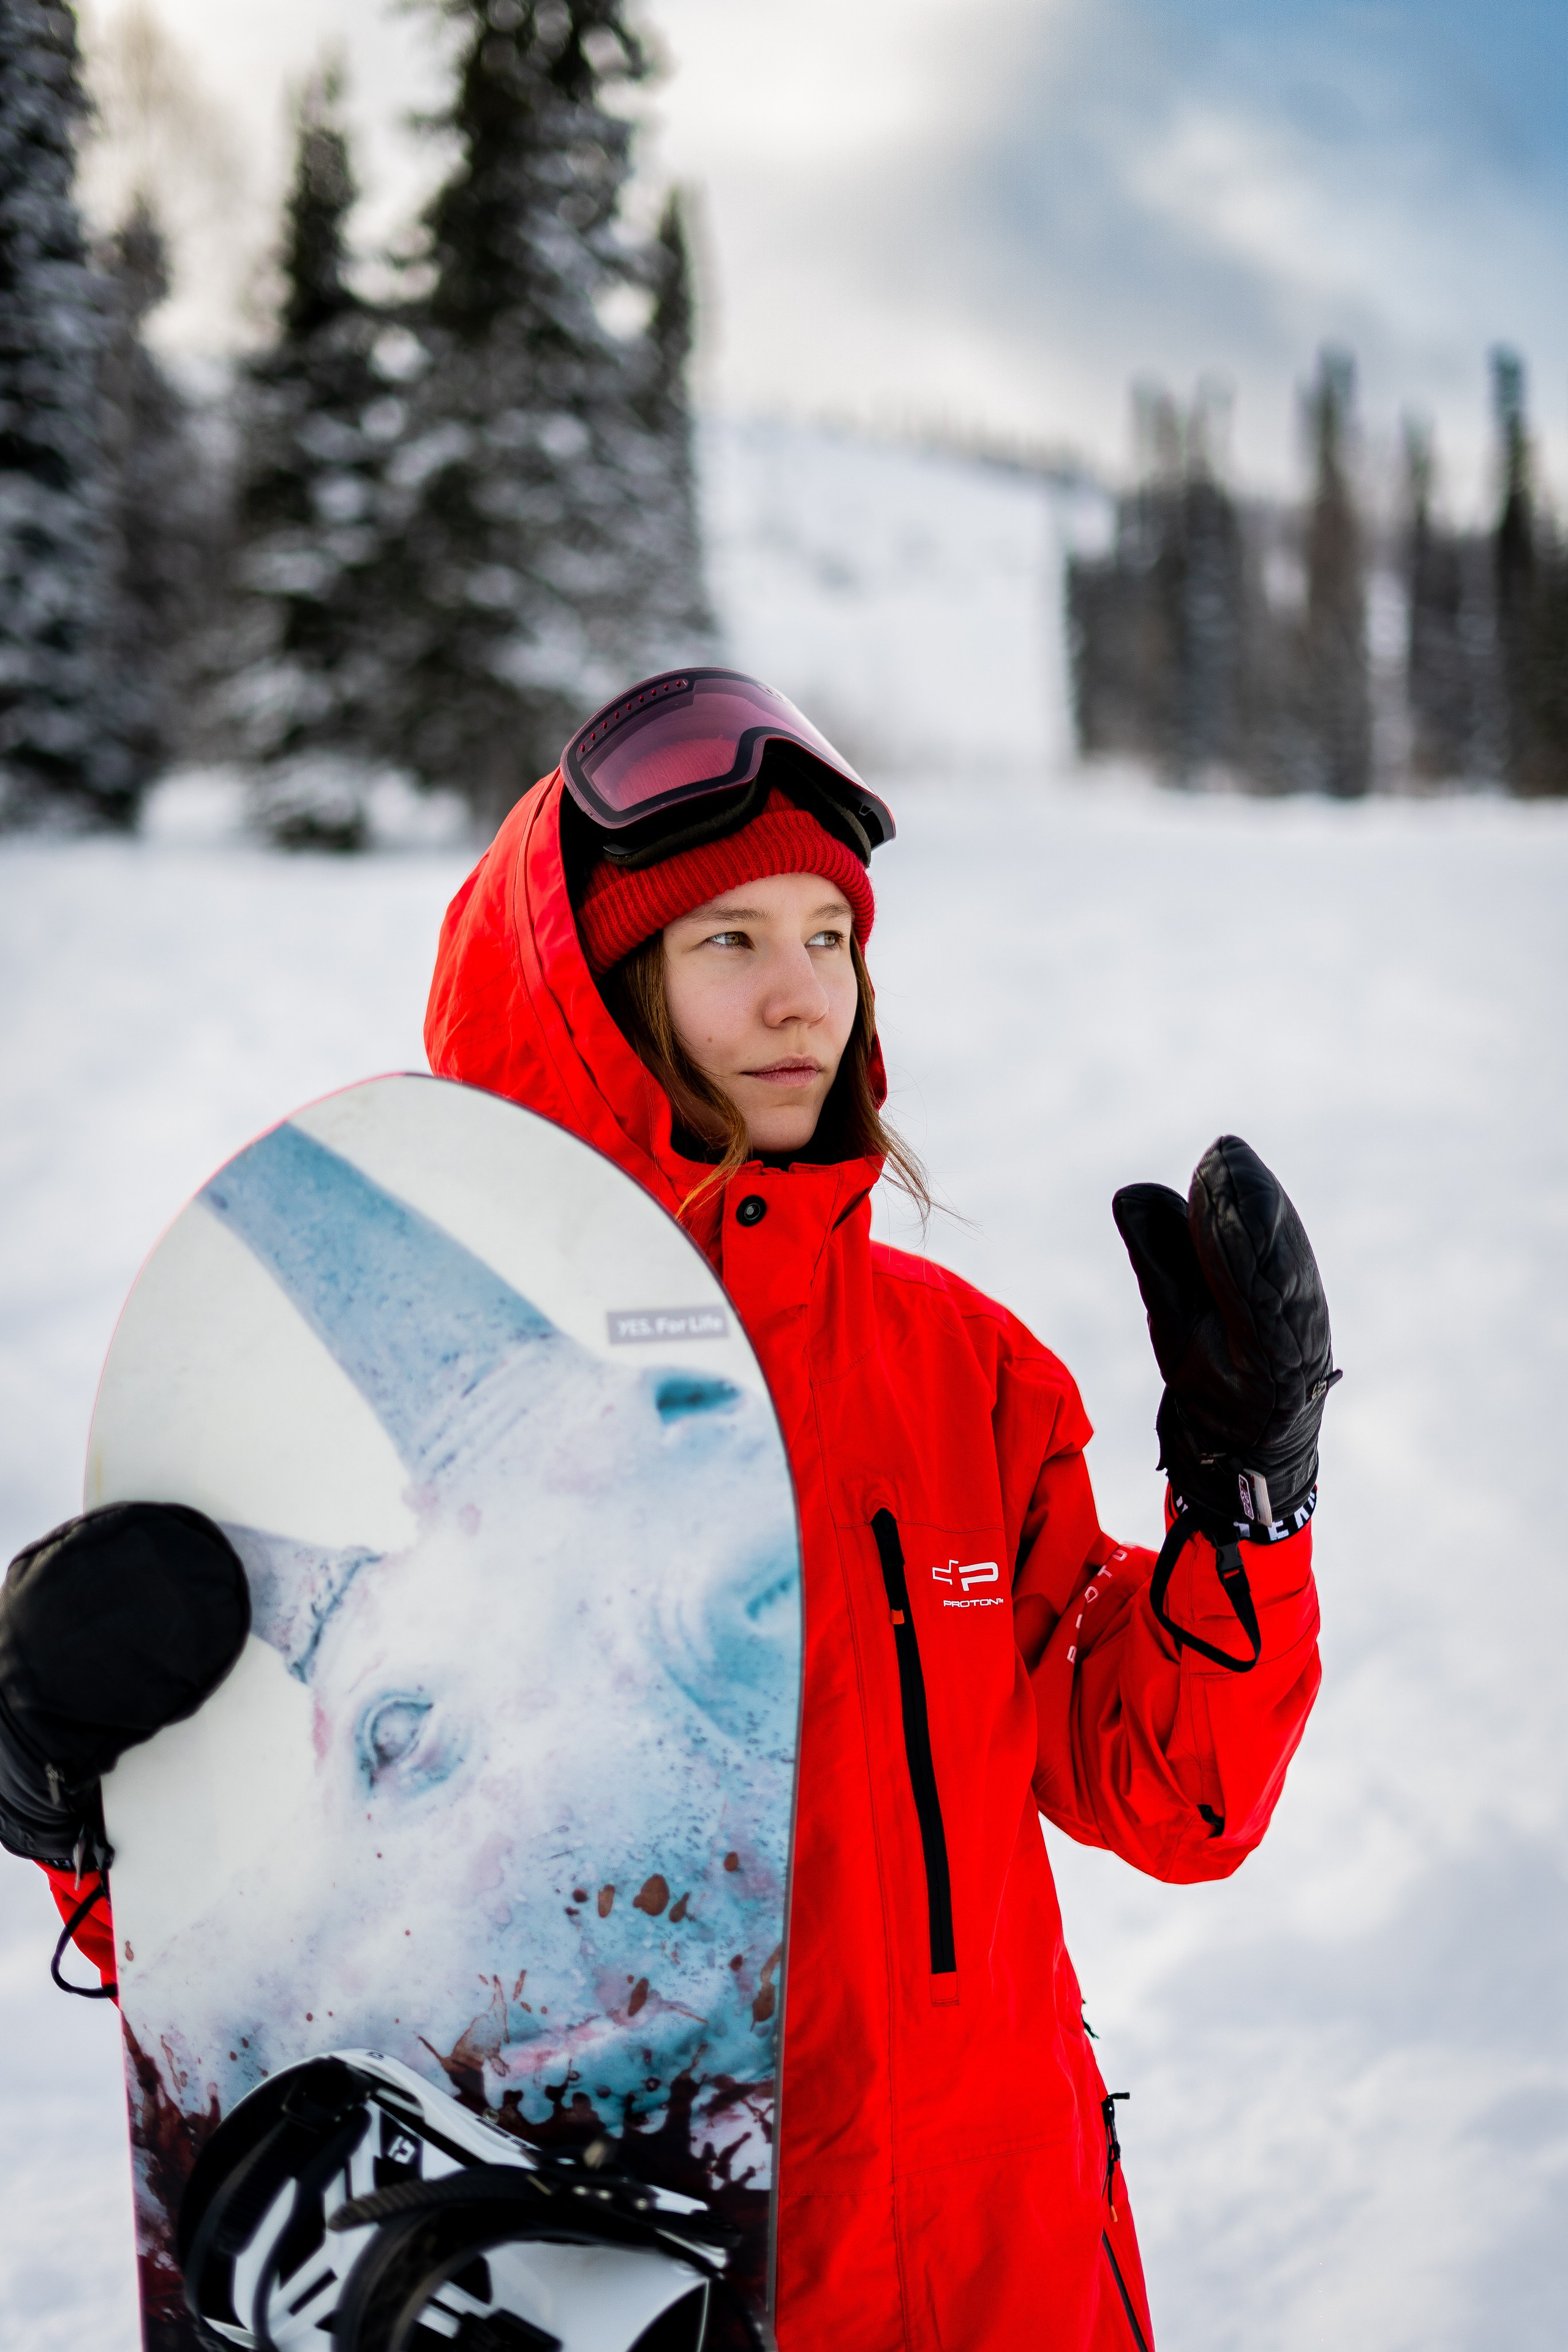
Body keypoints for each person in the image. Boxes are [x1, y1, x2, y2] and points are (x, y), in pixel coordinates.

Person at [1, 669, 1334, 2351]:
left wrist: (1245, 1502)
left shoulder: (962, 1373)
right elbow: (287, 1973)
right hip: (658, 2291)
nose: (799, 999)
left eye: (828, 940)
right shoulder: (421, 1480)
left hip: (1015, 2271)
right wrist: (74, 1794)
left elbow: (1166, 1791)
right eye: (728, 944)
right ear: (598, 994)